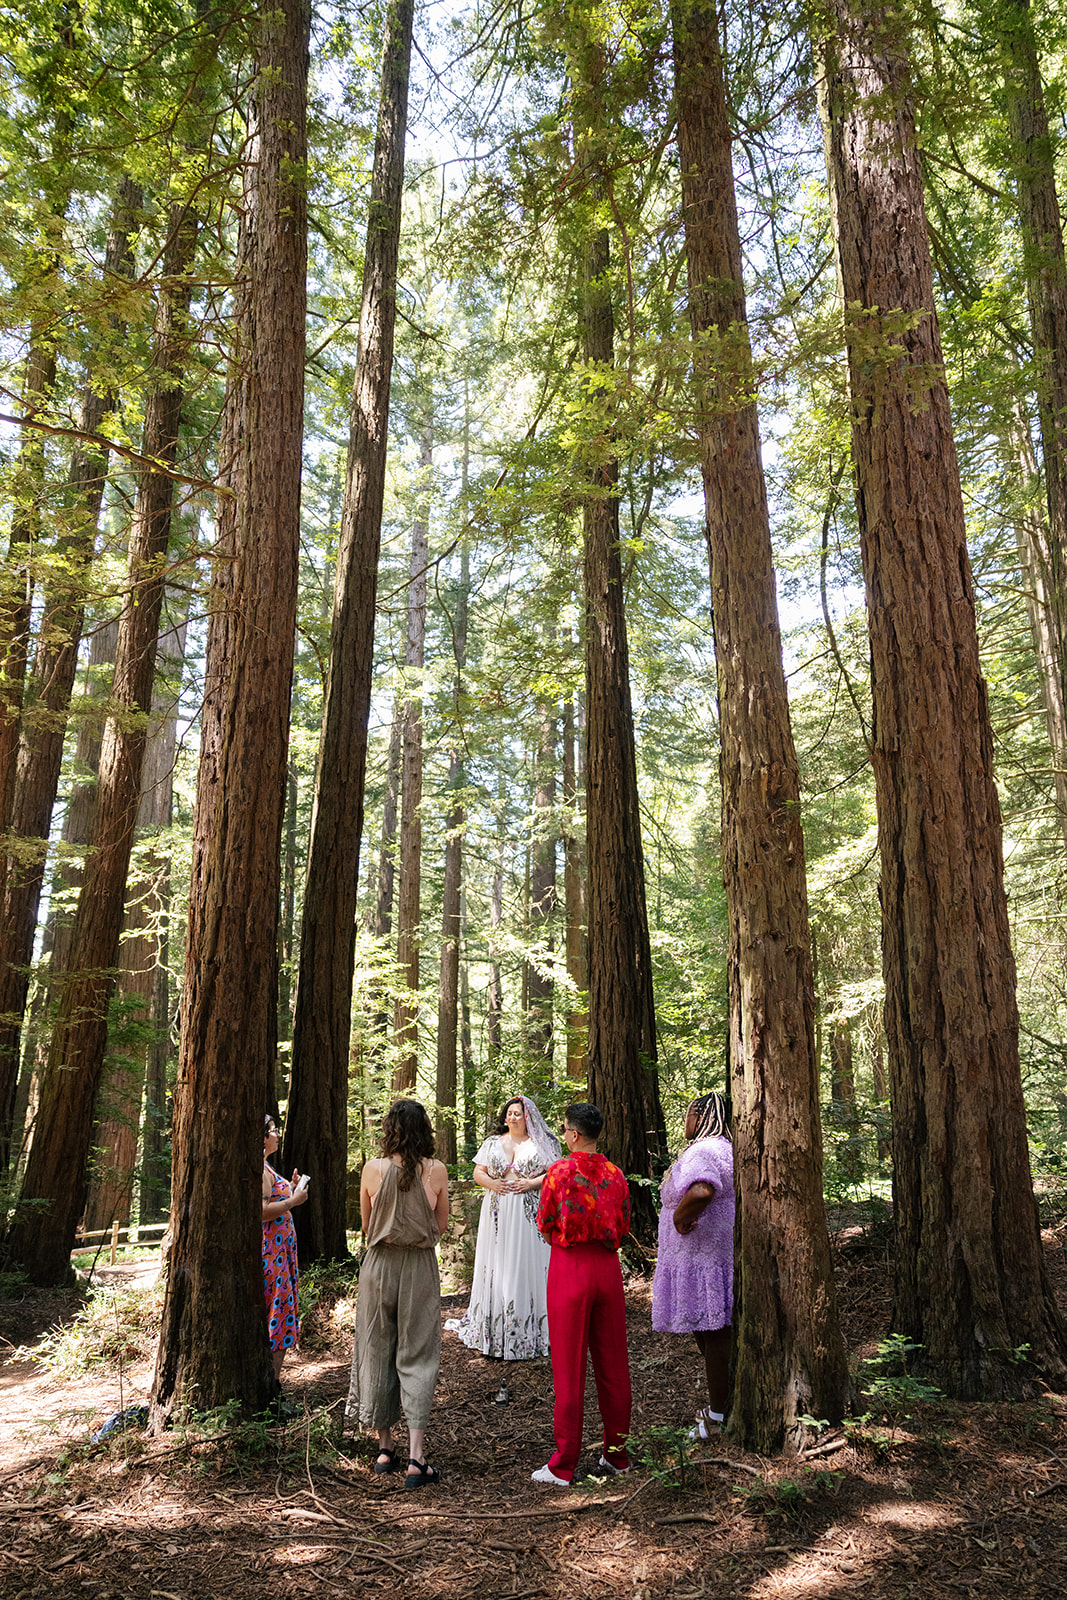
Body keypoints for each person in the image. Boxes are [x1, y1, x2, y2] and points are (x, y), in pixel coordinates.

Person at [346, 1099, 449, 1489]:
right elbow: (440, 1225)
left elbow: (367, 1225)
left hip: (378, 1267)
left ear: (389, 1128)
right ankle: (417, 1457)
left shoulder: (372, 1169)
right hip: (419, 1266)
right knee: (418, 1352)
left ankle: (385, 1447)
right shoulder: (435, 1171)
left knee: (376, 1348)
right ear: (423, 1129)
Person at [532, 1102, 632, 1486]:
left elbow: (544, 1222)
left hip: (569, 1266)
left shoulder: (558, 1173)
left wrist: (562, 1240)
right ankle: (617, 1455)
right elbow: (622, 1226)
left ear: (573, 1134)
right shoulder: (616, 1174)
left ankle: (563, 1465)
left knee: (569, 1368)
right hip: (607, 1269)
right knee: (613, 1364)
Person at [450, 1094, 560, 1399]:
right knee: (497, 1266)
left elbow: (553, 1173)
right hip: (497, 1212)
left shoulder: (539, 1144)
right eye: (510, 1113)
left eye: (518, 1113)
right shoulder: (492, 1143)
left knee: (527, 1265)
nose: (513, 1118)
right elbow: (477, 1172)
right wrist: (492, 1184)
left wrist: (531, 1184)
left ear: (528, 1117)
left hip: (527, 1211)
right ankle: (495, 1330)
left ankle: (530, 1332)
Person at [651, 1090, 734, 1440]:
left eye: (688, 1113)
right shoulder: (723, 1148)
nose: (684, 1120)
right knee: (712, 1330)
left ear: (700, 1116)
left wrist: (681, 1219)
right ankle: (726, 1402)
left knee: (715, 1332)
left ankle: (718, 1415)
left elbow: (702, 1191)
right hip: (706, 1256)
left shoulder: (704, 1150)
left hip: (704, 1256)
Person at [262, 1114, 309, 1380]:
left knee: (282, 1312)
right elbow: (262, 1211)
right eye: (273, 1131)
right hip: (273, 1256)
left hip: (280, 1254)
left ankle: (272, 1385)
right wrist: (294, 1201)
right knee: (278, 1314)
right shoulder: (260, 1170)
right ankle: (272, 1389)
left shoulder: (267, 1168)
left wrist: (290, 1189)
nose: (277, 1135)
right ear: (262, 1137)